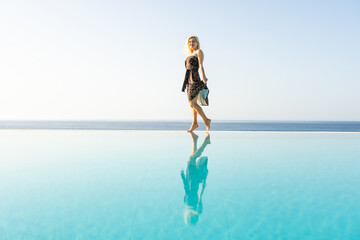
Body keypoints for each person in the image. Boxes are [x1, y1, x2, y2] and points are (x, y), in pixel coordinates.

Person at [182, 35, 211, 132]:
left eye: (193, 41)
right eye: (190, 42)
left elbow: (201, 65)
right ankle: (194, 123)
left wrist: (204, 77)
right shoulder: (189, 54)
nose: (191, 43)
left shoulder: (199, 52)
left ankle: (206, 120)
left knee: (193, 103)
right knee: (191, 104)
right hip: (188, 81)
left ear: (197, 43)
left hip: (195, 79)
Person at [181, 132, 210, 224]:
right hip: (191, 178)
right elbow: (186, 189)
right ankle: (206, 143)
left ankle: (195, 140)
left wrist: (203, 183)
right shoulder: (189, 203)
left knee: (192, 155)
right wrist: (183, 178)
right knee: (192, 158)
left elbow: (200, 194)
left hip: (195, 181)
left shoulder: (195, 206)